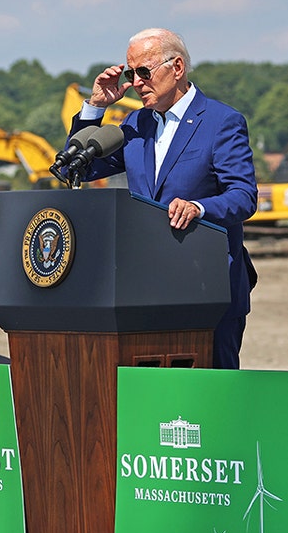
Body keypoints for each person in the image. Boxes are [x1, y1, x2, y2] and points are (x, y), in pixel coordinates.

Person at [68, 27, 258, 369]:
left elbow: (244, 197)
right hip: (146, 289)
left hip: (209, 286)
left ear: (178, 68)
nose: (137, 82)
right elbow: (77, 168)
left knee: (209, 397)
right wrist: (95, 108)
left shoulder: (221, 122)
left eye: (145, 71)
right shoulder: (134, 123)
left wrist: (199, 208)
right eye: (131, 73)